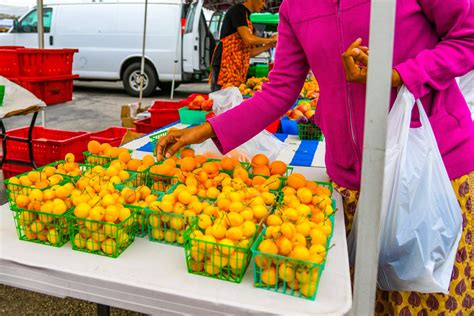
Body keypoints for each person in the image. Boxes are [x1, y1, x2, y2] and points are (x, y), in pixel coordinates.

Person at [157, 1, 474, 314]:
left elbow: (468, 35)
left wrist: (398, 75)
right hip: (350, 186)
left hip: (430, 176)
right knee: (359, 304)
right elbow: (280, 89)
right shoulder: (295, 7)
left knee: (429, 304)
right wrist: (208, 130)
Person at [210, 0, 277, 92]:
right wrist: (271, 39)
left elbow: (250, 53)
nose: (264, 5)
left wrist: (269, 45)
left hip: (237, 66)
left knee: (234, 99)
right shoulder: (238, 10)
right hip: (225, 63)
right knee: (222, 99)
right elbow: (248, 39)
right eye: (262, 1)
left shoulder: (248, 19)